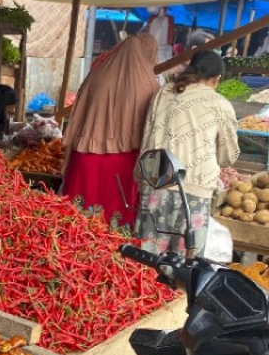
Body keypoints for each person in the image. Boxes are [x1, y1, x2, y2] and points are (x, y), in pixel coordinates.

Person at [136, 50, 240, 254]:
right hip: (195, 191)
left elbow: (147, 137)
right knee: (186, 261)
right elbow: (227, 157)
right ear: (216, 79)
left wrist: (140, 177)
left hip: (157, 183)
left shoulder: (163, 93)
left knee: (147, 257)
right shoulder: (220, 104)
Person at [61, 33, 161, 229]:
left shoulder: (96, 75)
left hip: (85, 158)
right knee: (113, 230)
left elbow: (75, 120)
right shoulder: (149, 84)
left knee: (75, 228)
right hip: (123, 165)